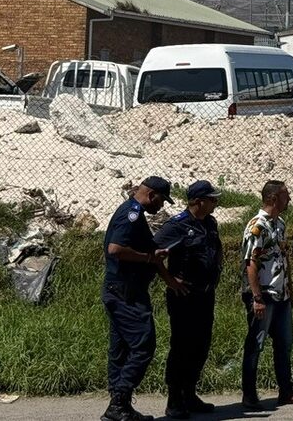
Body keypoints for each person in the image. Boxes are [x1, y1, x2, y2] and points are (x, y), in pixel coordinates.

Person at [101, 176, 186, 421]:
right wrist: (149, 258)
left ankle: (119, 406)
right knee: (143, 345)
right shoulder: (132, 214)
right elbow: (115, 249)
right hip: (126, 292)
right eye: (161, 201)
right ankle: (118, 401)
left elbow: (148, 250)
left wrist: (166, 275)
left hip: (121, 290)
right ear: (152, 195)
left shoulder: (133, 213)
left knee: (121, 348)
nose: (161, 207)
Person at [154, 180, 224, 419]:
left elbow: (215, 250)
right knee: (182, 346)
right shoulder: (177, 226)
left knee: (201, 345)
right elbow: (153, 255)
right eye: (212, 199)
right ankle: (174, 399)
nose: (216, 203)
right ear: (198, 201)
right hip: (184, 297)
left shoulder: (210, 223)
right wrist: (170, 280)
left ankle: (189, 393)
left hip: (205, 294)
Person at [241, 180, 293, 410]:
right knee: (256, 344)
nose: (289, 199)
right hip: (264, 295)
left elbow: (283, 255)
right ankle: (249, 395)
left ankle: (286, 391)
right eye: (285, 195)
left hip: (281, 295)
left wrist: (290, 287)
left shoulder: (279, 223)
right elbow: (250, 262)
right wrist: (257, 298)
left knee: (285, 342)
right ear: (273, 199)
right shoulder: (257, 226)